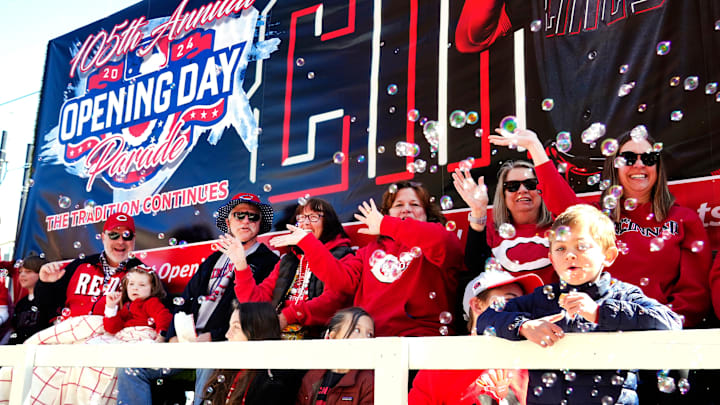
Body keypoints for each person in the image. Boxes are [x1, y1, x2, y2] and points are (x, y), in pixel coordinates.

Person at [489, 129, 712, 329]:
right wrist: (535, 148)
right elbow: (563, 207)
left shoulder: (683, 220)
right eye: (629, 158)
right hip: (599, 328)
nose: (639, 164)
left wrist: (662, 327)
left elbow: (694, 294)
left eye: (649, 158)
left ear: (658, 166)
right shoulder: (598, 216)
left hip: (657, 332)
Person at [476, 204, 682, 404]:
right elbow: (486, 318)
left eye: (581, 246)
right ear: (551, 258)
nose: (570, 255)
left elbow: (671, 322)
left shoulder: (622, 295)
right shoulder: (541, 299)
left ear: (608, 256)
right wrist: (524, 326)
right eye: (560, 248)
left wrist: (600, 312)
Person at [117, 193, 279, 405]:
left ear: (260, 223)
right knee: (130, 367)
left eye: (253, 216)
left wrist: (213, 336)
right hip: (188, 342)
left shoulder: (268, 261)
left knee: (209, 362)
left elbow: (256, 311)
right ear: (228, 222)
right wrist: (173, 336)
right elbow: (185, 299)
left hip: (223, 343)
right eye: (239, 215)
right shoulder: (214, 258)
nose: (246, 221)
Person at [270, 181, 466, 337]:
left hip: (421, 344)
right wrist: (309, 243)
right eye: (398, 205)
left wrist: (387, 225)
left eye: (414, 205)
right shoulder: (367, 252)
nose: (406, 209)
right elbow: (341, 281)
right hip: (370, 344)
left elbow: (440, 240)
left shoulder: (438, 240)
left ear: (427, 214)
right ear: (387, 212)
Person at [410, 269, 542, 405]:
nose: (518, 313)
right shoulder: (441, 362)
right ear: (477, 305)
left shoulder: (531, 359)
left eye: (522, 305)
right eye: (509, 301)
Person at [234, 198, 353, 339]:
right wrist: (241, 265)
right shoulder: (288, 261)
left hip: (318, 339)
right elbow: (256, 303)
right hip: (279, 335)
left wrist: (288, 316)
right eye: (301, 218)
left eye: (314, 217)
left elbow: (334, 299)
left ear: (329, 222)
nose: (306, 223)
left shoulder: (344, 255)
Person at [452, 161, 556, 284]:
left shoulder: (558, 227)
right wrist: (478, 210)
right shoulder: (493, 231)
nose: (522, 190)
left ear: (541, 190)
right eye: (513, 186)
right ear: (503, 196)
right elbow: (475, 267)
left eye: (530, 184)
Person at [199, 301, 303, 404]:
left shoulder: (273, 380)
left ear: (257, 331)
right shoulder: (226, 371)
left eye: (236, 327)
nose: (227, 334)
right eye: (229, 327)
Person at [296, 307, 375, 405]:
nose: (364, 338)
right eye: (357, 330)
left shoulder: (368, 382)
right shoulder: (311, 377)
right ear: (333, 337)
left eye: (370, 334)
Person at [102, 265, 172, 341]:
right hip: (126, 339)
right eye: (131, 284)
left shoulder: (151, 303)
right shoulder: (126, 306)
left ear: (152, 288)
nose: (135, 288)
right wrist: (111, 307)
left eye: (142, 285)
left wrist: (161, 336)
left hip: (143, 338)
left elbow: (163, 317)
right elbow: (112, 329)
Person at [7, 255, 52, 345]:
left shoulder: (49, 299)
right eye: (20, 272)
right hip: (20, 348)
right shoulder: (21, 304)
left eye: (28, 271)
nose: (22, 275)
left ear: (42, 273)